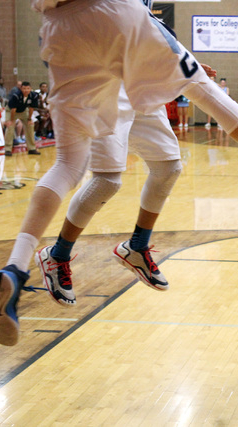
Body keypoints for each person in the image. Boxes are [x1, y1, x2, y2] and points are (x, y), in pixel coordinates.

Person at [0, 0, 238, 347]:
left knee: (96, 164)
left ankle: (19, 267)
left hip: (66, 32)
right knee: (202, 94)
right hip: (117, 25)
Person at [35, 85, 182, 306]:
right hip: (106, 87)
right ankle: (57, 254)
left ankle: (136, 247)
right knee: (106, 182)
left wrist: (183, 63)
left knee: (169, 168)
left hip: (142, 85)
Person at [4, 81, 40, 156]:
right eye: (24, 88)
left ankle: (32, 149)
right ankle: (8, 149)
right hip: (11, 111)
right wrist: (11, 120)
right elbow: (13, 110)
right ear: (21, 88)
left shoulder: (34, 95)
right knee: (10, 127)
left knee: (30, 126)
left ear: (31, 89)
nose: (26, 90)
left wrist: (29, 119)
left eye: (28, 88)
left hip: (23, 111)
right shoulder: (16, 95)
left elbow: (31, 108)